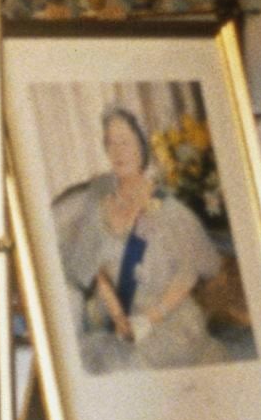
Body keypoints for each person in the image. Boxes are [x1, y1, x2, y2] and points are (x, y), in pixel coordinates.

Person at [56, 101, 226, 372]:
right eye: (111, 143)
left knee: (132, 366)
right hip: (119, 321)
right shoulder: (99, 198)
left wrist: (148, 320)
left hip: (166, 318)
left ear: (141, 146)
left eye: (125, 142)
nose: (118, 152)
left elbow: (188, 272)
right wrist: (118, 315)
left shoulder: (166, 207)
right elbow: (94, 267)